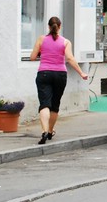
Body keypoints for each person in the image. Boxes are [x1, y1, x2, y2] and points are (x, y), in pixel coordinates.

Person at [29, 16, 88, 144]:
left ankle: (44, 131)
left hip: (44, 73)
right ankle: (50, 131)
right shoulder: (66, 42)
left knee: (44, 104)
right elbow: (70, 59)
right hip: (60, 75)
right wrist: (81, 73)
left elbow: (32, 57)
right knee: (54, 105)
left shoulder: (41, 39)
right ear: (59, 27)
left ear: (49, 27)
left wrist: (41, 53)